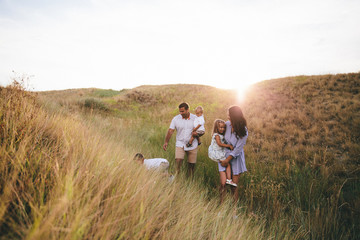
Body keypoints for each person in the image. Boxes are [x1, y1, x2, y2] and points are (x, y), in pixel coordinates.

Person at [219, 105, 248, 202]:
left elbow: (238, 149)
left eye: (229, 115)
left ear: (234, 116)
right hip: (224, 155)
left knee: (233, 186)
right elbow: (219, 136)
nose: (227, 117)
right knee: (223, 184)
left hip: (236, 159)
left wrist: (227, 160)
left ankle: (234, 212)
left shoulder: (243, 130)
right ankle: (221, 208)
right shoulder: (227, 124)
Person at [163, 102, 198, 177]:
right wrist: (166, 142)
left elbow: (201, 131)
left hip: (193, 144)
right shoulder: (176, 119)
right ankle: (177, 179)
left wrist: (196, 136)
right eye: (180, 111)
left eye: (182, 111)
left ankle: (190, 181)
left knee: (191, 165)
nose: (181, 113)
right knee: (178, 161)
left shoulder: (195, 118)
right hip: (180, 144)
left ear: (188, 109)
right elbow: (170, 131)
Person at [208, 119, 237, 187]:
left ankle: (227, 179)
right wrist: (228, 145)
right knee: (228, 164)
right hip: (217, 153)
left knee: (226, 164)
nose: (222, 129)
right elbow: (219, 144)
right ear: (216, 128)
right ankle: (229, 180)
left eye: (224, 127)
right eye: (221, 127)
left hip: (219, 152)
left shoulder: (220, 135)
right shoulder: (217, 135)